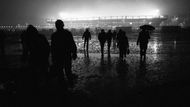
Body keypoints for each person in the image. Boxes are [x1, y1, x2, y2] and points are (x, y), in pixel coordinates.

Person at [20, 25, 50, 95]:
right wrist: (46, 57)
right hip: (43, 58)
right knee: (44, 72)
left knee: (34, 73)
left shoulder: (28, 38)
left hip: (34, 58)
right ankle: (46, 87)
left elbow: (26, 50)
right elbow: (47, 47)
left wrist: (23, 59)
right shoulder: (41, 37)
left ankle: (36, 88)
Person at [51, 19, 77, 88]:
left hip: (58, 57)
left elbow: (53, 48)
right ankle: (71, 86)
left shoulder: (54, 35)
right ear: (63, 25)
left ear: (56, 26)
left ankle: (63, 87)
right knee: (68, 71)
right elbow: (72, 44)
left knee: (60, 73)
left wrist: (53, 58)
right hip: (66, 55)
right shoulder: (68, 33)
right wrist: (74, 53)